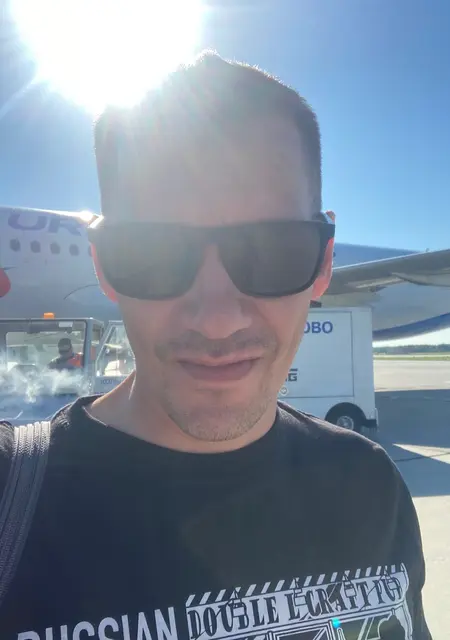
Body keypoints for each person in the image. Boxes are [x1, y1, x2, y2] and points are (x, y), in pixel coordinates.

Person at [0, 51, 431, 639]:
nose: (218, 320)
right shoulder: (12, 496)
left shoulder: (373, 486)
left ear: (324, 263)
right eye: (152, 254)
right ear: (103, 264)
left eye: (274, 251)